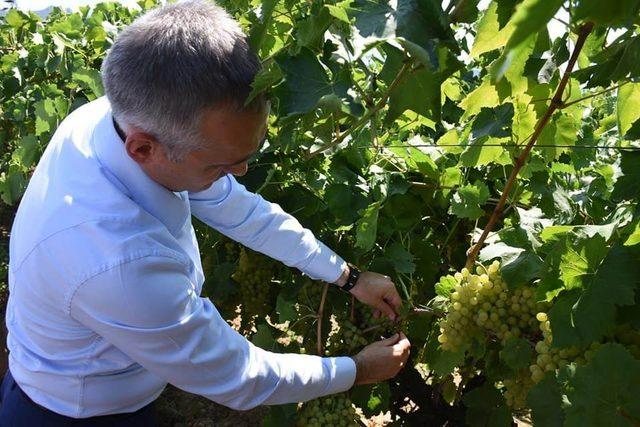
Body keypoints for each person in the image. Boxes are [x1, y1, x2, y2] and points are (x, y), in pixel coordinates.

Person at [0, 0, 411, 424]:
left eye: (246, 155)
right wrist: (356, 370)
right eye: (221, 165)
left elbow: (239, 209)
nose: (241, 172)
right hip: (76, 416)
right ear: (142, 148)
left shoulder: (113, 121)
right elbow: (238, 375)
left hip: (108, 383)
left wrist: (347, 277)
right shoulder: (116, 262)